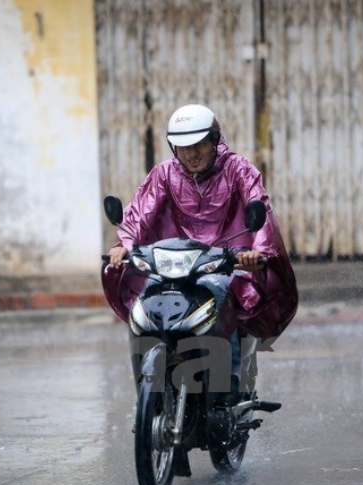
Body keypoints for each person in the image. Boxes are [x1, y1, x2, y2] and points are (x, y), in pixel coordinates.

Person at [102, 103, 298, 400]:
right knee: (148, 301)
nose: (192, 154)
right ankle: (147, 388)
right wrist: (124, 246)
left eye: (199, 144)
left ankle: (228, 386)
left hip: (221, 263)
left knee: (219, 297)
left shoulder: (239, 169)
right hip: (171, 262)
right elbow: (139, 214)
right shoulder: (164, 174)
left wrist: (256, 252)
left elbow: (260, 210)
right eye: (183, 147)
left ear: (215, 140)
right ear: (173, 148)